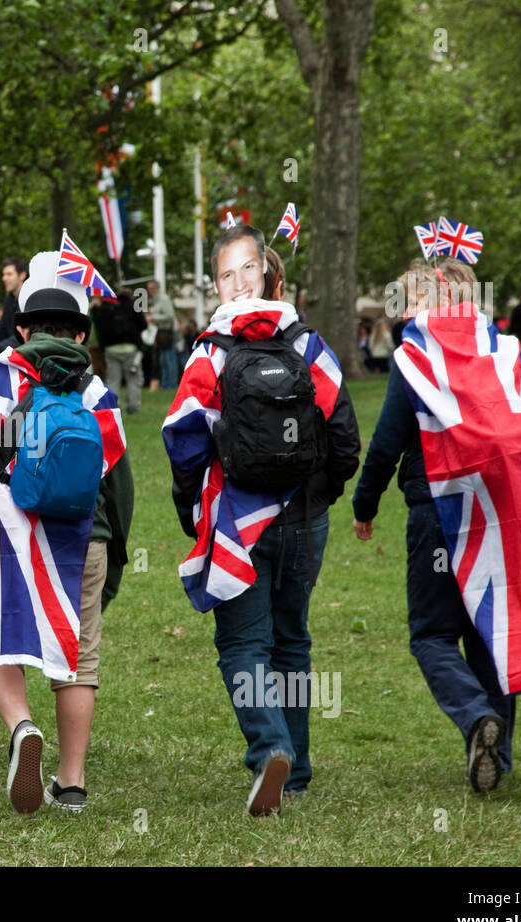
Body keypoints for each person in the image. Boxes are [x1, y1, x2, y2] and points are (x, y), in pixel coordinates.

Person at [350, 258, 521, 795]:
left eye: (410, 301)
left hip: (435, 514)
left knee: (431, 634)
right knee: (489, 635)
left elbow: (385, 443)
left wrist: (365, 503)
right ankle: (498, 756)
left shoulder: (414, 358)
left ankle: (474, 720)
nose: (405, 312)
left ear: (431, 303)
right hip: (498, 512)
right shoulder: (508, 353)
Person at [162, 223, 360, 816]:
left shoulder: (209, 352)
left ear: (264, 274)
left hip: (236, 527)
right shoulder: (307, 343)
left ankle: (269, 747)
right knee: (292, 640)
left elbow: (182, 440)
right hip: (305, 518)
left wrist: (189, 506)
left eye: (244, 269)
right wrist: (320, 493)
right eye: (227, 274)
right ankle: (294, 768)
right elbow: (345, 435)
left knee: (244, 643)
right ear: (220, 284)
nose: (238, 282)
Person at [0, 250, 134, 815]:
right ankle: (71, 784)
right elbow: (121, 488)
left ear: (20, 327)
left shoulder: (2, 375)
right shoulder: (97, 393)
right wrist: (115, 555)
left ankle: (22, 727)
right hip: (85, 540)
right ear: (81, 332)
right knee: (80, 660)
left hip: (9, 536)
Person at [91, 292, 145, 414]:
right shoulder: (131, 307)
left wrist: (94, 307)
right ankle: (133, 407)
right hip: (131, 349)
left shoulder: (104, 309)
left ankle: (113, 407)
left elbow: (96, 324)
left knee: (113, 380)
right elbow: (143, 324)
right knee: (133, 380)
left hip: (110, 350)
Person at [148, 279, 178, 389]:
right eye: (149, 288)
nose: (150, 291)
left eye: (152, 288)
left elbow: (169, 315)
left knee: (169, 359)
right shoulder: (156, 300)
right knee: (163, 359)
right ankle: (165, 384)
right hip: (161, 332)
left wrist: (153, 318)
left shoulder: (163, 299)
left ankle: (171, 384)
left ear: (157, 288)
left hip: (167, 332)